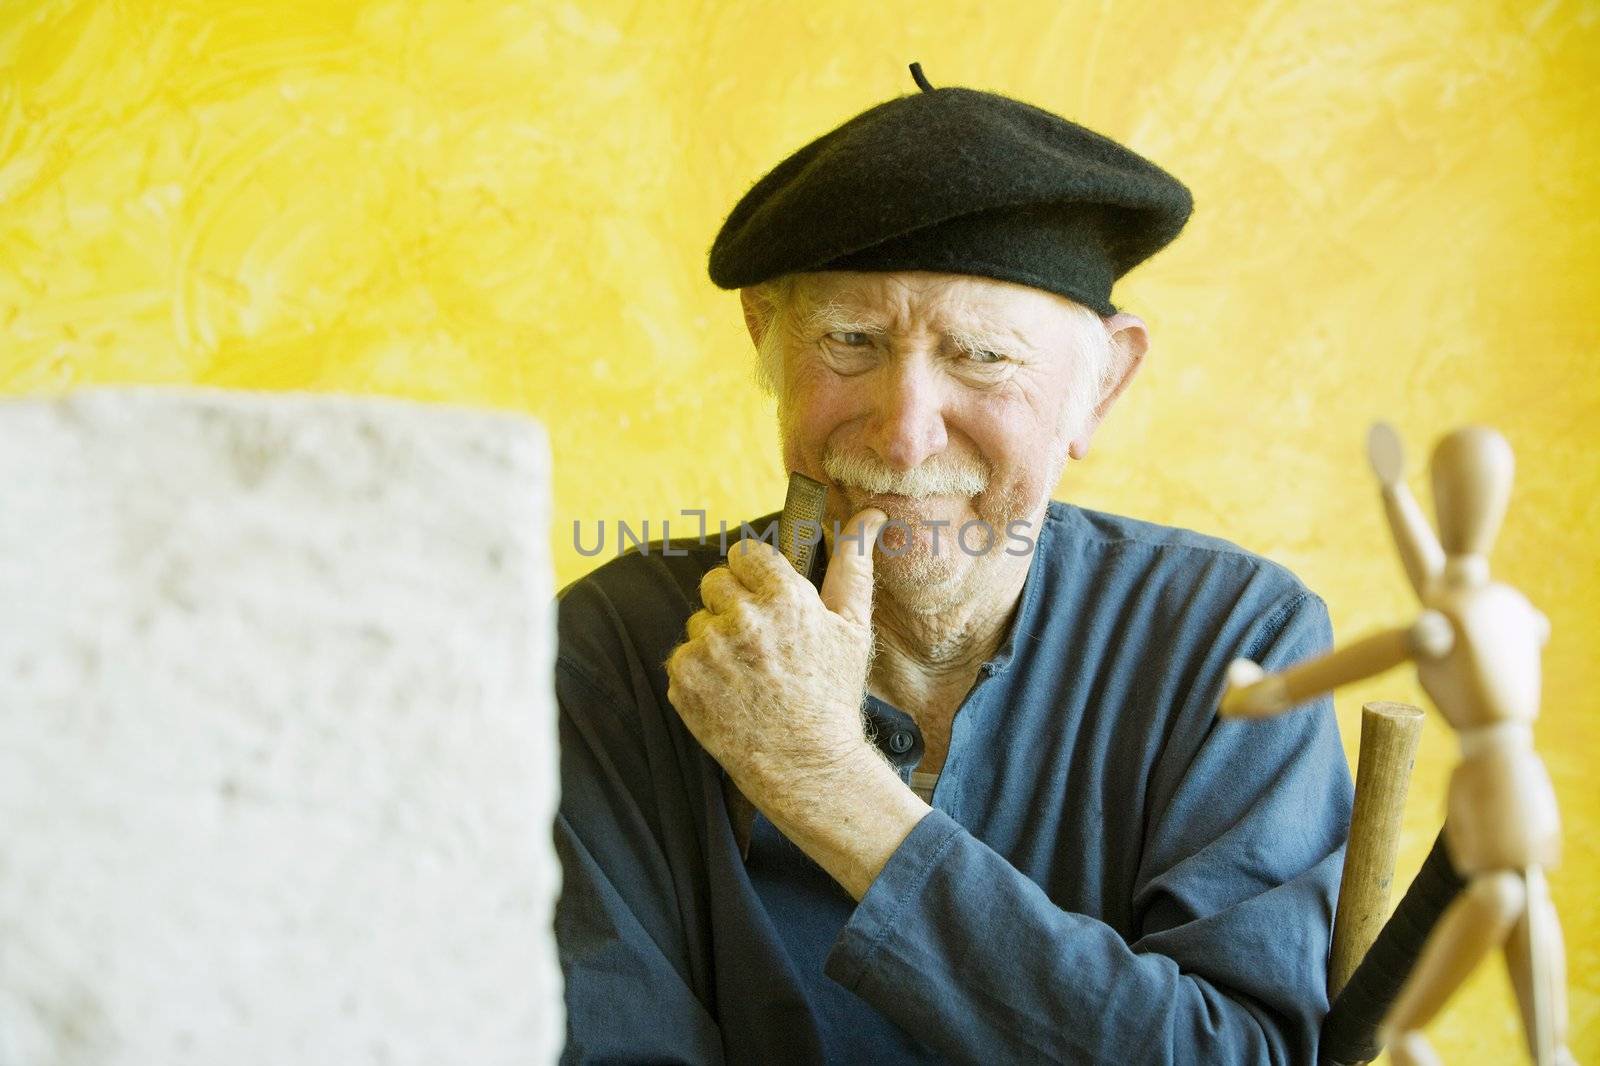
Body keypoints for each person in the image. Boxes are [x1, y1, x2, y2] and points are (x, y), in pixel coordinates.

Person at [554, 64, 1353, 1064]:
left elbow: (1236, 1053)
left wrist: (830, 786)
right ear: (766, 339)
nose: (903, 435)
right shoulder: (606, 653)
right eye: (850, 341)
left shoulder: (1232, 641)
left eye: (982, 356)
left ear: (1100, 384)